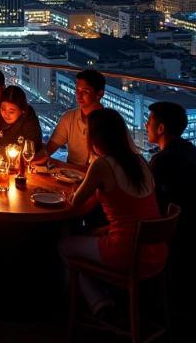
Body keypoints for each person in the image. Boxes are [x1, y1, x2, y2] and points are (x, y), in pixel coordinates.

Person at [60, 108, 166, 318]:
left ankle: (96, 305)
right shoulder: (140, 162)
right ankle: (103, 299)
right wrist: (107, 228)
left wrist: (70, 190)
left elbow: (75, 203)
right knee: (88, 236)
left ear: (95, 137)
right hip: (155, 252)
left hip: (127, 254)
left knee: (64, 245)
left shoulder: (102, 165)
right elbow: (137, 212)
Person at [146, 101, 196, 292]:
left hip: (167, 238)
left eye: (148, 121)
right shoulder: (189, 150)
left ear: (160, 128)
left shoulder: (163, 161)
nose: (145, 125)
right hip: (185, 234)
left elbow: (149, 200)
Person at [42, 70, 105, 167]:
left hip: (98, 179)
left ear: (99, 94)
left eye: (85, 91)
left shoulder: (110, 123)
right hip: (70, 176)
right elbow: (50, 148)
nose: (79, 95)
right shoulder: (69, 117)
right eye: (77, 90)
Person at [0, 85, 43, 150]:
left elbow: (33, 147)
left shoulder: (29, 121)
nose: (6, 114)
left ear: (22, 110)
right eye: (3, 109)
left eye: (11, 112)